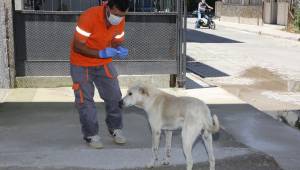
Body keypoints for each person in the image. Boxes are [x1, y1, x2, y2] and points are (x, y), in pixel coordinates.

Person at [70, 0, 129, 149]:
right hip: (81, 64)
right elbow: (78, 46)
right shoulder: (89, 17)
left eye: (122, 15)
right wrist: (101, 53)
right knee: (85, 102)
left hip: (103, 63)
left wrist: (119, 48)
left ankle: (115, 128)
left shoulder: (120, 20)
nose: (118, 18)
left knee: (115, 96)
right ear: (107, 7)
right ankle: (91, 135)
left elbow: (116, 41)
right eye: (116, 14)